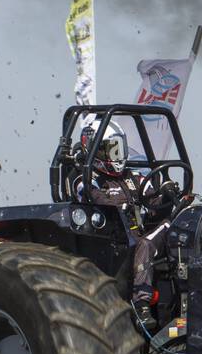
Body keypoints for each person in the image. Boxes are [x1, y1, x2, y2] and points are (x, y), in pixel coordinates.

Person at [71, 118, 179, 330]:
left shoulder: (132, 177)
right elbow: (99, 200)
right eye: (112, 150)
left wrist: (167, 196)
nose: (118, 156)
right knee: (145, 245)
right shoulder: (85, 180)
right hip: (113, 242)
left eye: (119, 149)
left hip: (139, 235)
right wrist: (128, 206)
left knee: (179, 225)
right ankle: (141, 305)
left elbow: (152, 200)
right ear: (97, 150)